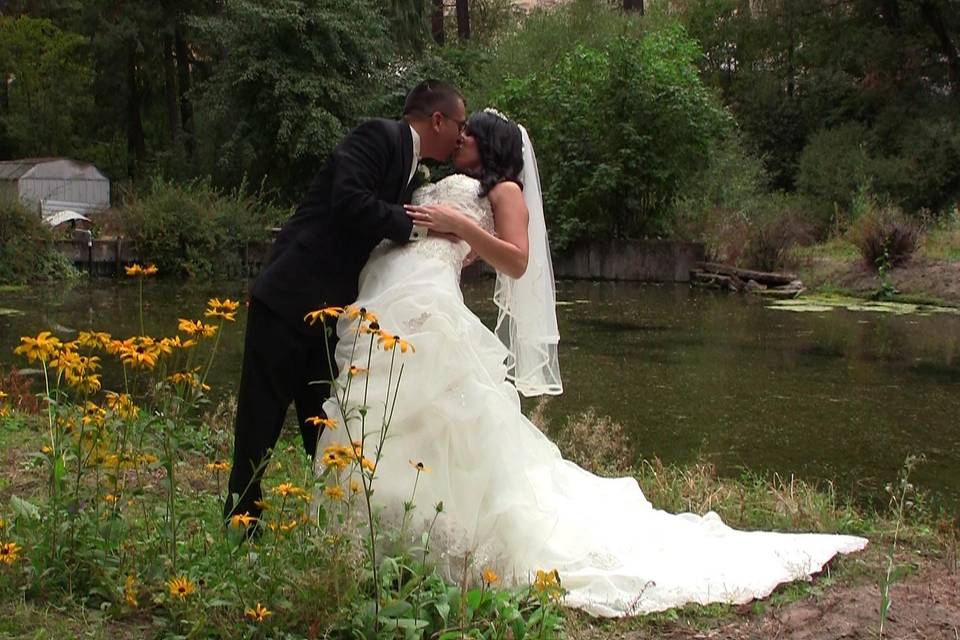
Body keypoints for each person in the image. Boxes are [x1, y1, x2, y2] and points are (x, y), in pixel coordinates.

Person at [314, 109, 867, 616]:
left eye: (469, 133)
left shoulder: (505, 188)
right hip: (392, 294)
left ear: (491, 143)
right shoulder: (443, 177)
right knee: (399, 407)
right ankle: (381, 528)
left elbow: (517, 259)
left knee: (445, 410)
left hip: (429, 301)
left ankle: (444, 539)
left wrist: (460, 228)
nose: (459, 139)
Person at [224, 80, 466, 523]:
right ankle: (241, 529)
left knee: (328, 430)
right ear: (437, 120)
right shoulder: (378, 135)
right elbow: (350, 201)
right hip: (289, 298)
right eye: (459, 124)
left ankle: (334, 530)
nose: (461, 135)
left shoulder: (411, 169)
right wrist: (423, 226)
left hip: (329, 317)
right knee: (258, 428)